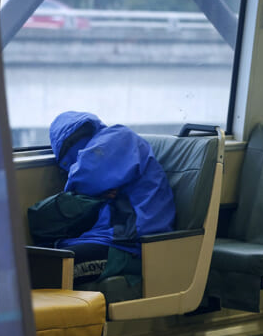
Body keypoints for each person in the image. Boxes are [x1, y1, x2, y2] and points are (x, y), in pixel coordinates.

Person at [48, 111, 176, 285]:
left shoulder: (119, 137)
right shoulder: (97, 155)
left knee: (53, 271)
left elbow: (85, 178)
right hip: (105, 236)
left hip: (134, 244)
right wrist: (94, 193)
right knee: (38, 261)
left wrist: (84, 191)